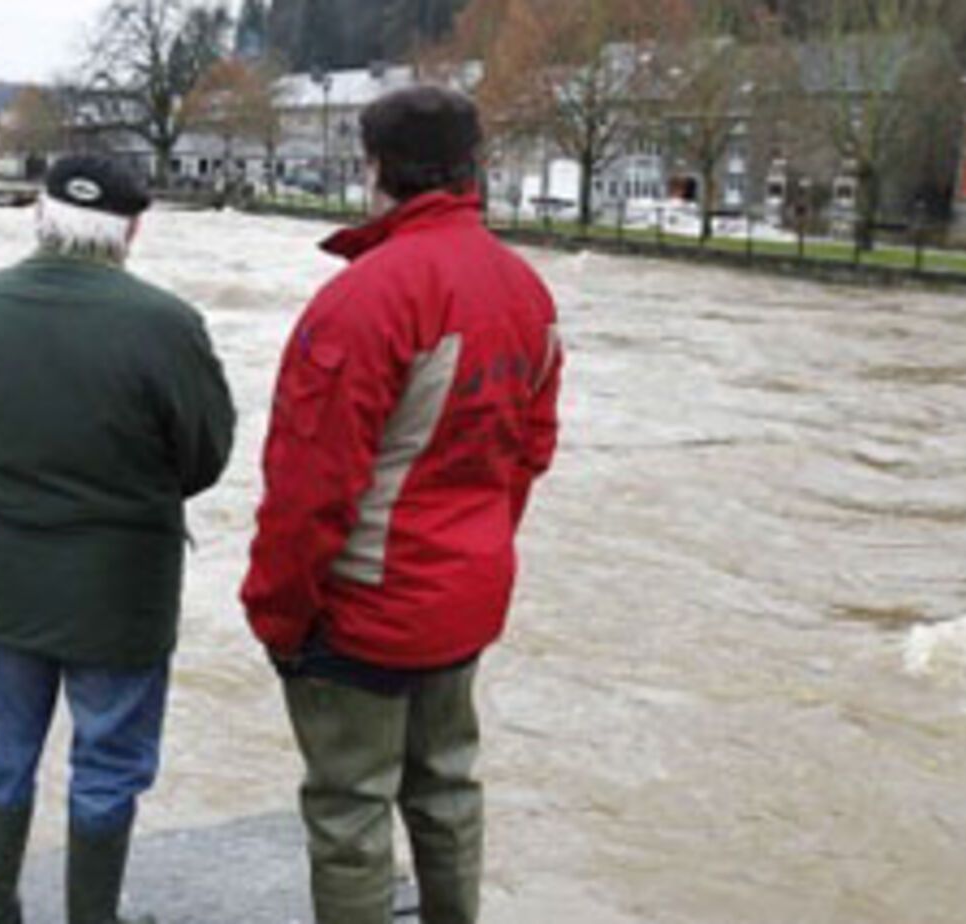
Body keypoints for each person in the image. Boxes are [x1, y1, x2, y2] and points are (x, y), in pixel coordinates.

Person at [240, 86, 563, 924]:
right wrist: (476, 559)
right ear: (472, 168)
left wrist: (278, 616)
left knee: (350, 811)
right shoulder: (526, 291)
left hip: (364, 610)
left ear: (375, 167)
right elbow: (527, 457)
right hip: (465, 598)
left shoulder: (367, 298)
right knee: (449, 787)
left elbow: (309, 489)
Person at [0, 154, 236, 924]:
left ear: (40, 214)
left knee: (2, 756)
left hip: (7, 580)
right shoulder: (165, 324)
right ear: (133, 228)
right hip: (121, 591)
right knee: (107, 767)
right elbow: (206, 456)